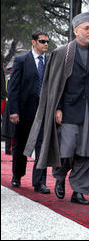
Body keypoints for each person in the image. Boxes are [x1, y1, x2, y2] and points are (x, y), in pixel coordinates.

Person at [24, 12, 89, 205]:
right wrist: (58, 107)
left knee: (87, 152)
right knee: (66, 150)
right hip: (68, 111)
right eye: (86, 28)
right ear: (76, 31)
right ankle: (60, 177)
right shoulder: (61, 53)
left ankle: (79, 191)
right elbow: (54, 85)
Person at [7, 30, 50, 194]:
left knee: (42, 146)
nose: (45, 44)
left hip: (43, 111)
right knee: (21, 145)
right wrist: (14, 111)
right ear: (33, 42)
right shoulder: (21, 60)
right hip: (24, 111)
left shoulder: (50, 61)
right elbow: (14, 88)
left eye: (47, 41)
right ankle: (17, 175)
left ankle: (39, 182)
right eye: (42, 41)